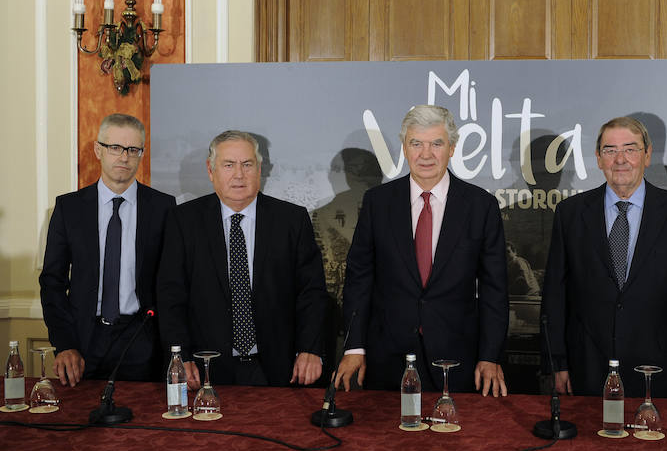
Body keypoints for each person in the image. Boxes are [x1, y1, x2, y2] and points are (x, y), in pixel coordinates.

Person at [335, 105, 509, 396]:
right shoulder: (378, 203)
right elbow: (359, 279)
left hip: (457, 360)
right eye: (416, 143)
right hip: (387, 357)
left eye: (436, 144)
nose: (425, 154)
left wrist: (489, 356)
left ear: (452, 148)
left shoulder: (481, 206)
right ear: (405, 148)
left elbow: (494, 289)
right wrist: (354, 347)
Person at [541, 116, 667, 398]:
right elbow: (555, 296)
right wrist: (555, 362)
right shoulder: (570, 214)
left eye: (630, 149)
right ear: (598, 158)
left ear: (647, 155)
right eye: (610, 150)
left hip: (658, 368)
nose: (620, 159)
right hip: (587, 367)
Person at [157, 130, 329, 388]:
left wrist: (310, 349)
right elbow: (171, 294)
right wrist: (178, 354)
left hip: (281, 368)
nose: (239, 174)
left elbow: (312, 292)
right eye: (229, 165)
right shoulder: (183, 221)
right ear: (211, 170)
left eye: (247, 164)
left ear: (260, 169)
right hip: (206, 368)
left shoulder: (291, 221)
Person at [40, 113, 175, 386]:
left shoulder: (163, 208)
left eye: (132, 149)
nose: (124, 157)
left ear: (142, 153)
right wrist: (65, 343)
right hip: (83, 341)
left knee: (142, 425)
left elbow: (172, 283)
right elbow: (52, 282)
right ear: (98, 150)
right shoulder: (69, 208)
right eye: (115, 147)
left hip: (142, 340)